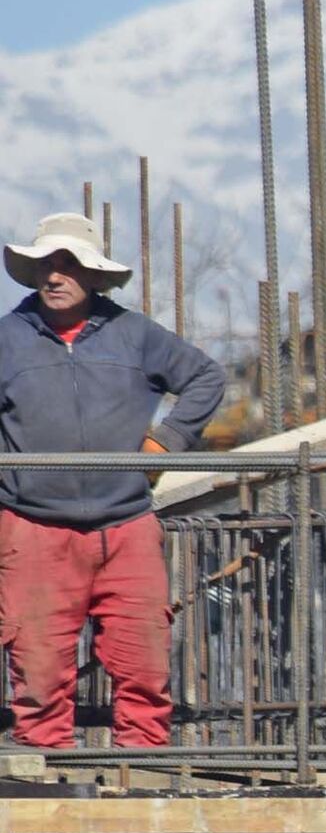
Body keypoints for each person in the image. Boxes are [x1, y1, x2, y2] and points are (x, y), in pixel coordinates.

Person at [0, 212, 226, 748]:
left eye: (69, 265)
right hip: (34, 528)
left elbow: (205, 378)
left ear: (96, 276)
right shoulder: (7, 338)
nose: (54, 276)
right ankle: (45, 787)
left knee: (143, 662)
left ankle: (142, 779)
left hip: (125, 526)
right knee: (37, 670)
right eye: (46, 265)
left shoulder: (135, 334)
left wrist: (164, 444)